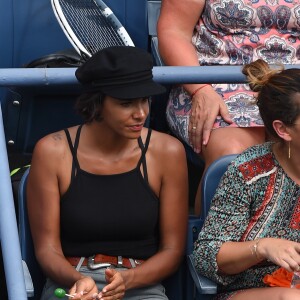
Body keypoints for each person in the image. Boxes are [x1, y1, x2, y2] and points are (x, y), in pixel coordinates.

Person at [27, 46, 189, 300]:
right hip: (73, 281)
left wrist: (128, 280)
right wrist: (80, 281)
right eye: (126, 103)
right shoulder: (51, 151)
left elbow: (172, 250)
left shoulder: (168, 152)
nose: (141, 113)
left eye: (145, 100)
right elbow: (47, 249)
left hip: (141, 284)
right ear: (97, 103)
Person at [157, 0, 300, 214]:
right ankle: (221, 243)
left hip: (292, 86)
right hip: (213, 84)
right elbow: (173, 32)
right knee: (233, 155)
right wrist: (200, 90)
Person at [193, 59, 300, 299]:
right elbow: (207, 256)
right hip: (251, 290)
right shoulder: (250, 171)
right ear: (283, 130)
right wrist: (262, 247)